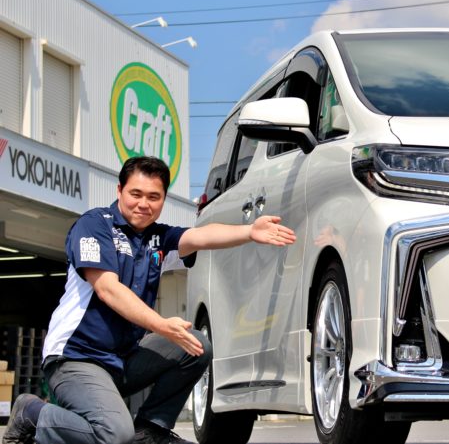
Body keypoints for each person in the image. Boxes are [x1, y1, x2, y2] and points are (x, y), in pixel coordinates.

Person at [3, 156, 296, 444]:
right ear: (120, 190)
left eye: (154, 197)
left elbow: (201, 236)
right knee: (115, 435)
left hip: (122, 360)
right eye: (136, 194)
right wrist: (162, 325)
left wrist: (249, 231)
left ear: (163, 199)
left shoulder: (157, 239)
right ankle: (33, 413)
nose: (144, 203)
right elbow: (107, 289)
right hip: (76, 358)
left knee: (195, 346)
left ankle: (150, 430)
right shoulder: (94, 225)